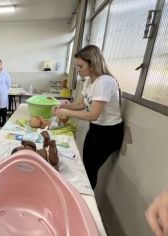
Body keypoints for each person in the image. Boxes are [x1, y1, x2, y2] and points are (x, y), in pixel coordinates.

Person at [53, 45, 124, 189]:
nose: (77, 70)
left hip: (109, 132)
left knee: (90, 169)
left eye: (80, 66)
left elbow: (93, 114)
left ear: (92, 64)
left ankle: (85, 202)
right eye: (76, 66)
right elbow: (80, 104)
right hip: (96, 128)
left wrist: (66, 113)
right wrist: (62, 107)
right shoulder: (88, 80)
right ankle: (81, 193)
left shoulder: (104, 82)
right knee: (85, 166)